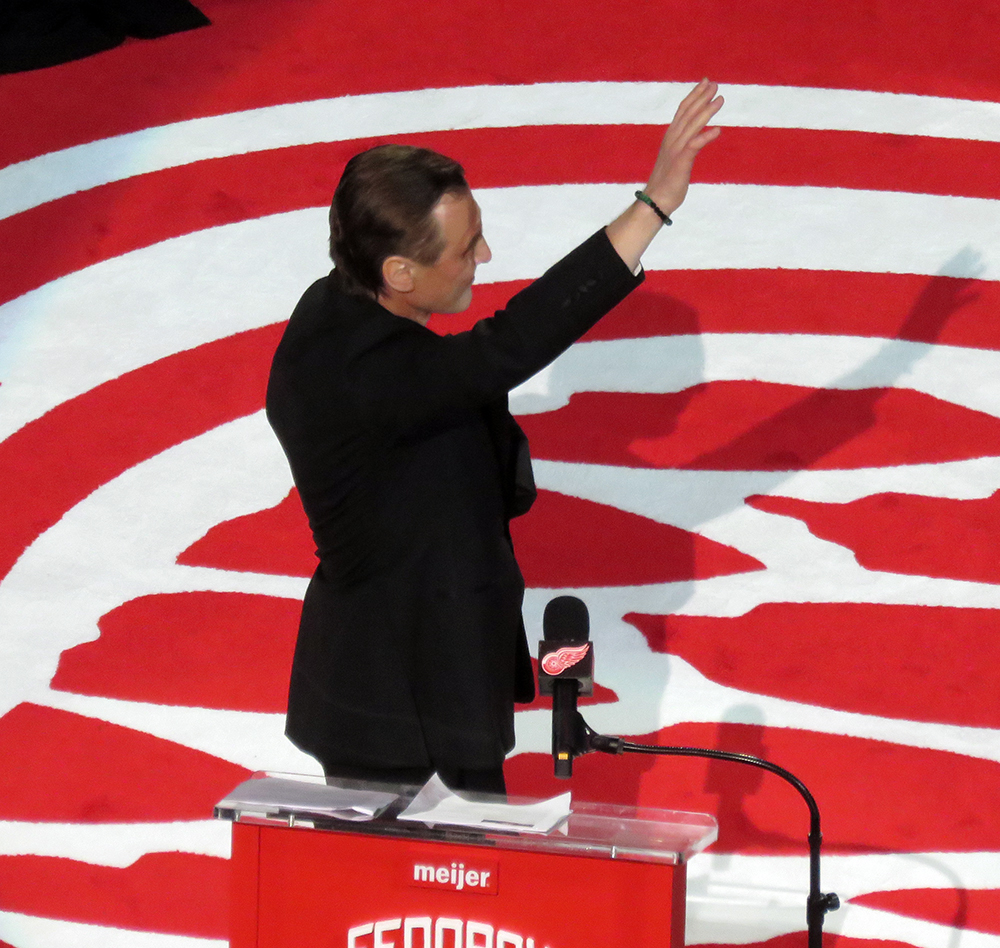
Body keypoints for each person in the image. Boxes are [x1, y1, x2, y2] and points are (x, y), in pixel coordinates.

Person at [265, 80, 724, 795]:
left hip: (419, 666)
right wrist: (655, 203)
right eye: (466, 245)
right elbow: (512, 342)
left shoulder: (332, 308)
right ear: (399, 271)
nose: (484, 254)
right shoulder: (379, 380)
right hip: (396, 702)